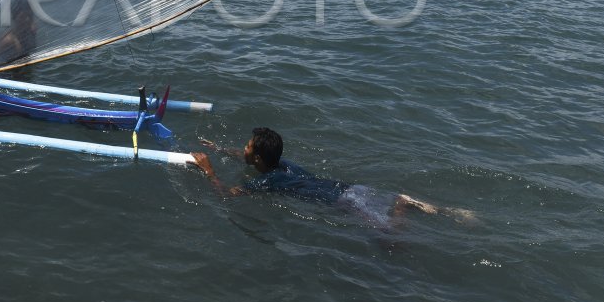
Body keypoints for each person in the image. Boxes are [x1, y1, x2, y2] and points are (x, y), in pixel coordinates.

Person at [190, 126, 475, 230]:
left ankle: (401, 205)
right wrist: (219, 149)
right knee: (391, 209)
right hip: (349, 188)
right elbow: (244, 158)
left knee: (390, 238)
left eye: (247, 147)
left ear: (259, 160)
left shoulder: (267, 181)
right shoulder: (283, 164)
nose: (244, 149)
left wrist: (209, 171)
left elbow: (227, 195)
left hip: (343, 201)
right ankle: (446, 212)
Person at [0, 0, 38, 66]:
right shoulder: (9, 40)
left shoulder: (31, 31)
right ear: (14, 18)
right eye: (22, 17)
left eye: (29, 16)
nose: (27, 19)